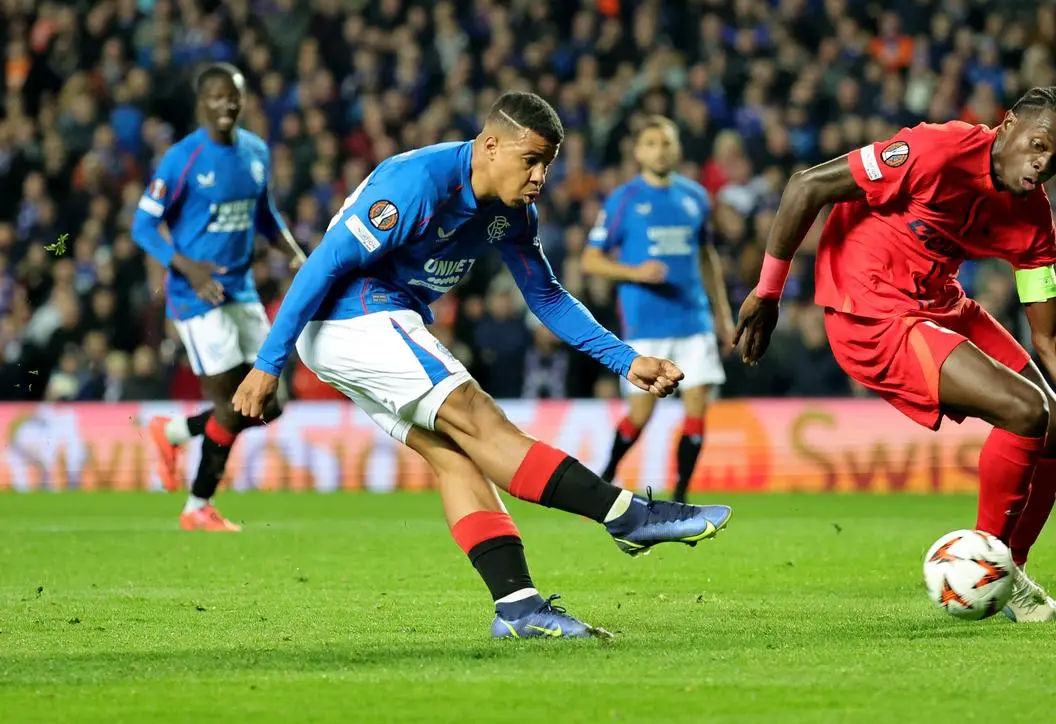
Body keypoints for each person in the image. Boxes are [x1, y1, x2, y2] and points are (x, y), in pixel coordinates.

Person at [231, 91, 732, 640]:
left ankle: (517, 607)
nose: (540, 176)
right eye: (531, 160)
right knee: (477, 416)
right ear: (490, 146)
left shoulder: (512, 212)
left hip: (370, 326)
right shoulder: (418, 184)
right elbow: (322, 266)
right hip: (354, 314)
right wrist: (266, 364)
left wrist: (625, 357)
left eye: (548, 164)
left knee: (457, 458)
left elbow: (546, 297)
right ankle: (629, 516)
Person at [734, 86, 1056, 622]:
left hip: (938, 301)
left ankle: (1010, 575)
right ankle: (989, 568)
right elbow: (806, 185)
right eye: (1038, 145)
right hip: (873, 311)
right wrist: (768, 292)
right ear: (1010, 122)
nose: (1043, 165)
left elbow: (1053, 333)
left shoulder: (1032, 219)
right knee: (1024, 411)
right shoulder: (936, 151)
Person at [132, 64, 306, 531]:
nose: (226, 104)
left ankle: (171, 433)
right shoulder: (181, 159)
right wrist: (186, 266)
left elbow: (266, 214)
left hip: (241, 289)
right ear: (201, 102)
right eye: (216, 96)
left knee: (272, 402)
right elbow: (142, 226)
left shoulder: (256, 152)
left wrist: (295, 256)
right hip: (195, 296)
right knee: (233, 404)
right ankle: (197, 506)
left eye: (234, 96)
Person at [582, 116, 734, 500]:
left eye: (665, 143)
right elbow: (590, 260)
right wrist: (633, 271)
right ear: (638, 151)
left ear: (676, 148)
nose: (659, 150)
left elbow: (707, 257)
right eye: (650, 143)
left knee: (697, 407)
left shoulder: (696, 196)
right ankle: (606, 474)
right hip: (645, 324)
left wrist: (723, 315)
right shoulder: (624, 199)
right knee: (641, 415)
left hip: (693, 318)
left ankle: (681, 494)